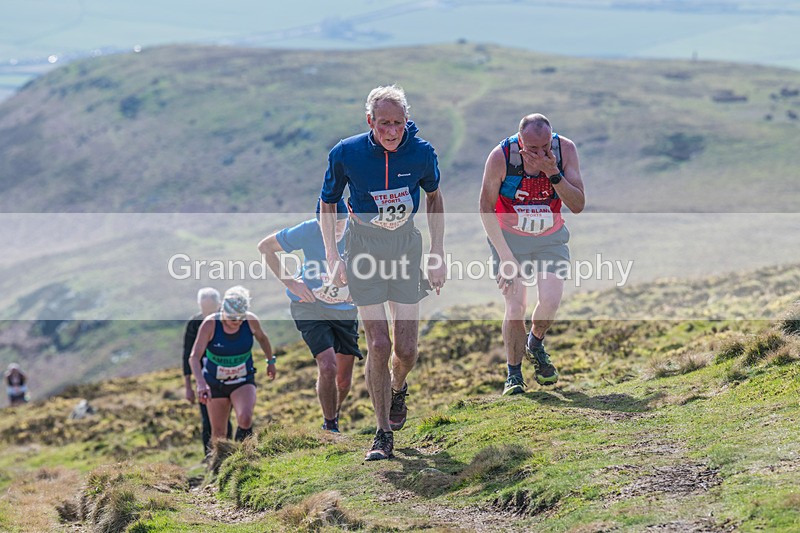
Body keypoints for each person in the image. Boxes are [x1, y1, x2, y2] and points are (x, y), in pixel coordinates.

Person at [319, 84, 446, 461]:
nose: (391, 131)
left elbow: (434, 197)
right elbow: (327, 202)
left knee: (406, 350)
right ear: (369, 121)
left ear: (407, 120)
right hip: (364, 248)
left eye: (398, 123)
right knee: (378, 344)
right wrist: (332, 255)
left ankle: (397, 387)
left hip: (405, 246)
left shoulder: (422, 153)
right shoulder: (346, 153)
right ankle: (382, 433)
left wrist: (438, 252)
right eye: (384, 123)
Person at [479, 113, 585, 396]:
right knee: (515, 306)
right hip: (510, 239)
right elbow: (485, 208)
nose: (540, 154)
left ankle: (535, 344)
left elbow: (577, 204)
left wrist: (553, 173)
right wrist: (505, 257)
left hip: (549, 238)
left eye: (545, 146)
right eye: (532, 148)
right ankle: (514, 375)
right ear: (520, 141)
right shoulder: (501, 157)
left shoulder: (565, 151)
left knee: (550, 301)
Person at [258, 198, 362, 433]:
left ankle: (333, 414)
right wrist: (291, 283)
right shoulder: (308, 230)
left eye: (340, 223)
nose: (335, 229)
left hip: (344, 311)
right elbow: (265, 247)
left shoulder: (358, 231)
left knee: (343, 380)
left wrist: (359, 290)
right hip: (310, 305)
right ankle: (330, 426)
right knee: (328, 365)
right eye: (328, 224)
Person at [189, 286, 275, 444]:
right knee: (219, 433)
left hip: (242, 380)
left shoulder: (250, 321)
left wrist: (270, 362)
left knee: (245, 418)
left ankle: (244, 454)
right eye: (233, 319)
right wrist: (200, 384)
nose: (238, 323)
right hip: (215, 383)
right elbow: (194, 357)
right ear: (224, 313)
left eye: (241, 319)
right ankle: (220, 459)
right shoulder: (210, 324)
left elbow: (263, 338)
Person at [182, 287, 231, 454]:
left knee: (225, 418)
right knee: (207, 420)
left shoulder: (228, 320)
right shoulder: (194, 324)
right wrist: (188, 386)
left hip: (229, 376)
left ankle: (227, 453)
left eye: (211, 310)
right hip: (204, 379)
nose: (207, 314)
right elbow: (187, 355)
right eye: (204, 310)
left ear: (219, 305)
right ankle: (209, 458)